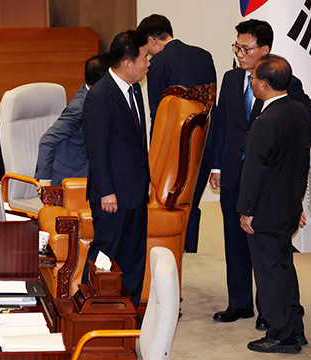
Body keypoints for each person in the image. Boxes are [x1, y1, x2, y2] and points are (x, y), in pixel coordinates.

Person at [210, 19, 311, 329]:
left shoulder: (285, 83)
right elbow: (221, 124)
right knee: (234, 241)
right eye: (237, 47)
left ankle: (267, 311)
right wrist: (217, 165)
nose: (240, 54)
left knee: (262, 248)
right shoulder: (232, 79)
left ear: (265, 49)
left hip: (266, 183)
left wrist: (284, 156)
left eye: (245, 48)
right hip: (234, 174)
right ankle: (240, 303)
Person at [238, 55, 310, 354]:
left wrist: (246, 211)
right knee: (284, 268)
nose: (251, 82)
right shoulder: (299, 111)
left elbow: (254, 172)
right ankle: (295, 327)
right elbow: (302, 162)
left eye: (254, 78)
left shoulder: (265, 122)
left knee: (269, 274)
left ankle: (282, 335)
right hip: (289, 206)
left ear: (264, 85)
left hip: (265, 212)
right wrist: (298, 199)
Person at [81, 30, 151, 307]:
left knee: (134, 255)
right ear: (127, 62)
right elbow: (97, 150)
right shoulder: (100, 95)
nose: (148, 63)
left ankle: (128, 310)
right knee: (105, 255)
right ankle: (92, 309)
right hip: (112, 196)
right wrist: (106, 192)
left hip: (135, 191)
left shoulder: (135, 89)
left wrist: (145, 179)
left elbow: (137, 142)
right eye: (144, 57)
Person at [137, 14, 217, 253]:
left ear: (152, 40)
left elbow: (157, 116)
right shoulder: (204, 55)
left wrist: (152, 158)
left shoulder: (158, 63)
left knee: (170, 205)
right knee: (191, 203)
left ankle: (171, 253)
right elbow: (211, 105)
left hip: (174, 149)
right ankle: (190, 254)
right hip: (203, 142)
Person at [34, 53, 109, 187]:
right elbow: (47, 140)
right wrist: (45, 180)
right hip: (71, 179)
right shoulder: (79, 108)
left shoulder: (95, 95)